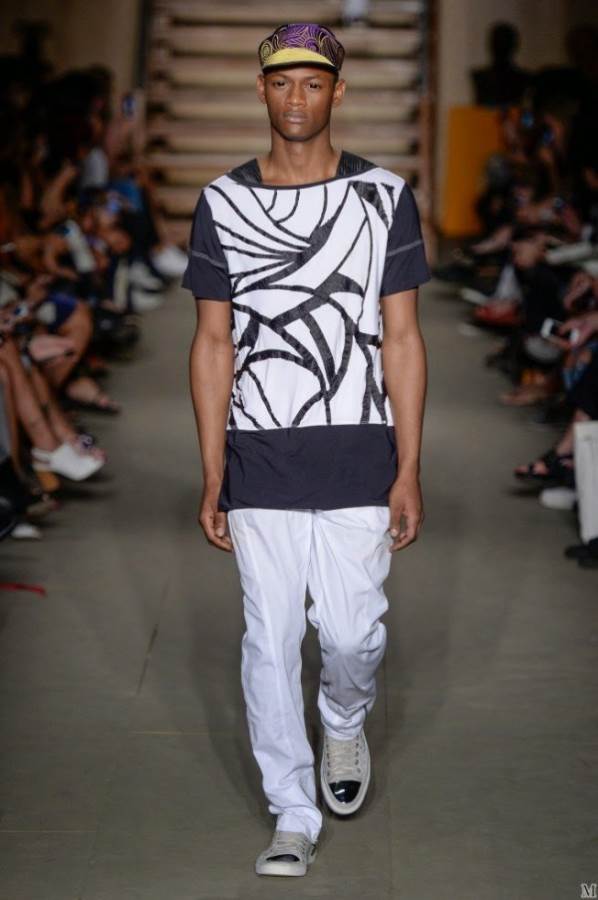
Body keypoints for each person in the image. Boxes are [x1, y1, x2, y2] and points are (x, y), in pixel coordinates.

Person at [184, 22, 431, 878]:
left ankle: (344, 719)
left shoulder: (384, 197)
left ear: (337, 91)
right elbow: (212, 341)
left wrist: (409, 465)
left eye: (313, 83)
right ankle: (292, 811)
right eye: (283, 82)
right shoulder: (222, 202)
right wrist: (213, 470)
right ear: (262, 90)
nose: (297, 98)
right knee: (271, 638)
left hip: (360, 444)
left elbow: (403, 338)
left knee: (354, 637)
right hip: (260, 450)